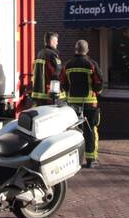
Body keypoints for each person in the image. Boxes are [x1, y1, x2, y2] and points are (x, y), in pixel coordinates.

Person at [61, 39, 104, 168]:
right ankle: (91, 160)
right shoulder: (91, 64)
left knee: (73, 131)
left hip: (73, 105)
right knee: (91, 130)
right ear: (87, 50)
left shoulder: (67, 65)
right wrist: (97, 92)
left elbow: (63, 83)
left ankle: (73, 159)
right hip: (90, 104)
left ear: (75, 50)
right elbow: (99, 82)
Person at [31, 32, 63, 105]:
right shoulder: (51, 55)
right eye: (56, 41)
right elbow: (57, 73)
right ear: (51, 42)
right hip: (49, 95)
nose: (57, 43)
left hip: (38, 94)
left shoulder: (40, 53)